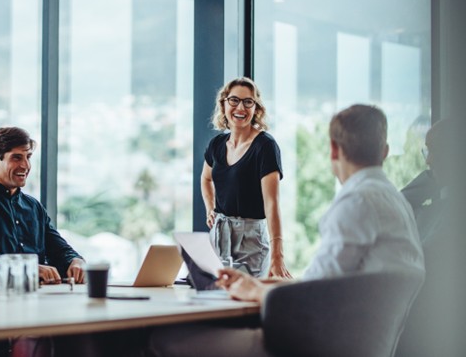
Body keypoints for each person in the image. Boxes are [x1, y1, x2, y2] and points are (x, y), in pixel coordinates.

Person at [148, 104, 425, 357]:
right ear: (385, 151)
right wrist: (258, 284)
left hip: (310, 345)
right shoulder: (395, 202)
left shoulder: (357, 202)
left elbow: (314, 297)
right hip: (356, 344)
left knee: (161, 339)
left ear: (333, 150)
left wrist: (255, 292)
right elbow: (330, 282)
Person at [0, 126, 85, 284]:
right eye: (16, 158)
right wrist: (28, 268)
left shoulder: (33, 206)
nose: (26, 165)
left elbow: (58, 248)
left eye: (28, 157)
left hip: (37, 296)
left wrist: (75, 261)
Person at [201, 77, 290, 278]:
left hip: (251, 239)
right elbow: (206, 179)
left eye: (248, 102)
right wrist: (210, 208)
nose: (240, 107)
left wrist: (278, 255)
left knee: (247, 304)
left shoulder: (265, 146)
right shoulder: (217, 144)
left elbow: (272, 204)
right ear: (223, 104)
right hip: (219, 235)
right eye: (234, 100)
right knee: (216, 300)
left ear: (256, 109)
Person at [401, 118, 452, 244]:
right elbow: (396, 207)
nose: (427, 161)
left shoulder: (450, 213)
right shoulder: (440, 209)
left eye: (434, 150)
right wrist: (434, 177)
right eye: (428, 152)